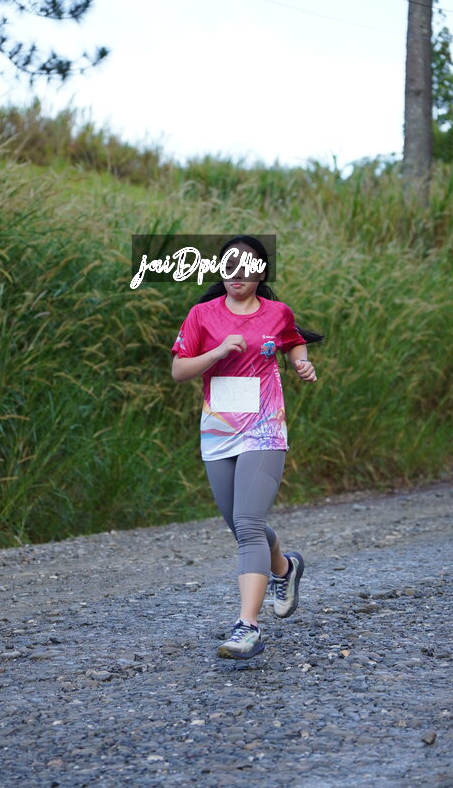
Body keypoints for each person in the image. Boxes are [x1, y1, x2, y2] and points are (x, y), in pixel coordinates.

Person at [171, 236, 320, 660]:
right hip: (219, 429)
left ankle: (247, 627)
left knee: (249, 524)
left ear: (260, 272)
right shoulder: (202, 315)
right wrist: (217, 352)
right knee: (240, 524)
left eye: (245, 267)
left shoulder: (277, 312)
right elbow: (179, 369)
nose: (236, 274)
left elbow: (292, 340)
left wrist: (300, 362)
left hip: (264, 427)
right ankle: (285, 568)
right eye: (228, 266)